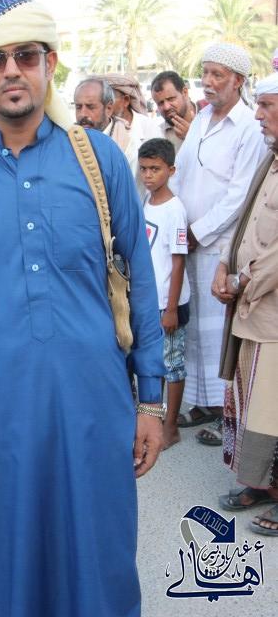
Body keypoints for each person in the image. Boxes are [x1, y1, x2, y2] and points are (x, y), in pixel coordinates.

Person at [0, 0, 165, 616]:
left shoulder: (98, 160)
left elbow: (139, 280)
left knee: (97, 563)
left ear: (50, 62)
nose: (12, 71)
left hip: (90, 406)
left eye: (26, 55)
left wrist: (151, 399)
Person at [171, 42, 267, 445]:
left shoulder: (249, 126)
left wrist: (199, 232)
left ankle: (227, 415)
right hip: (190, 240)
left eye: (217, 75)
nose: (208, 82)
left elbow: (239, 194)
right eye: (205, 73)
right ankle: (203, 404)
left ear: (238, 81)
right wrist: (177, 225)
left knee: (220, 335)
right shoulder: (201, 118)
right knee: (195, 329)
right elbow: (182, 174)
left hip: (220, 245)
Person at [212, 72, 278, 536]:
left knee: (273, 407)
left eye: (267, 106)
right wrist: (223, 264)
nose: (258, 115)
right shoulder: (270, 161)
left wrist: (241, 282)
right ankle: (260, 483)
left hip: (268, 310)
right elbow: (245, 222)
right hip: (250, 308)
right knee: (254, 403)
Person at [140, 138, 190, 449]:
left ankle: (171, 426)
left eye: (155, 169)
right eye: (144, 169)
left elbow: (178, 260)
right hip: (149, 301)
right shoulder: (147, 202)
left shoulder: (175, 210)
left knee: (172, 365)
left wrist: (171, 309)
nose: (148, 175)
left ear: (170, 170)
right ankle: (154, 421)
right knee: (153, 363)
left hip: (169, 303)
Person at [100, 73, 162, 174]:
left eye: (109, 99)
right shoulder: (99, 129)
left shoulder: (149, 128)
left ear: (126, 100)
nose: (106, 105)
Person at [151, 71, 196, 153]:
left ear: (185, 93)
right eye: (160, 103)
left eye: (171, 99)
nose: (166, 107)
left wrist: (192, 137)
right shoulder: (158, 135)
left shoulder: (210, 119)